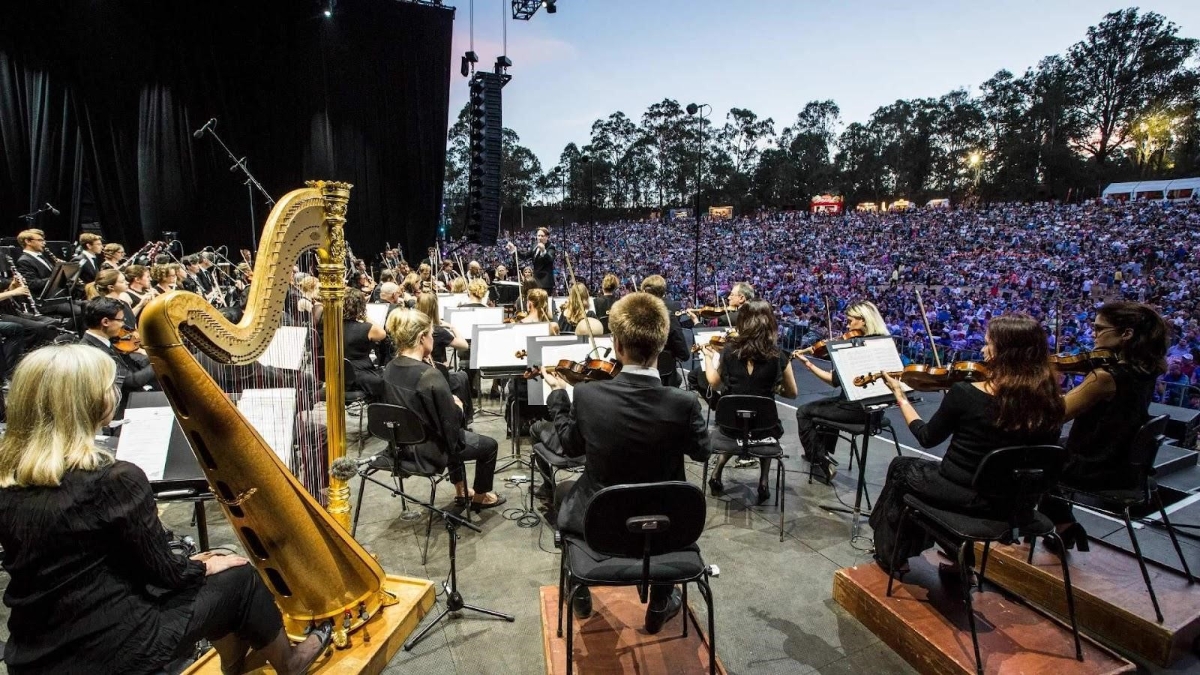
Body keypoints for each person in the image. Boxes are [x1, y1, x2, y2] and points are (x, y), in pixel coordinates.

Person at [0, 345, 332, 674]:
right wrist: (199, 567)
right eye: (108, 387)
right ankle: (290, 663)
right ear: (90, 402)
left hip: (33, 649)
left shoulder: (9, 476)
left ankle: (234, 663)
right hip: (116, 649)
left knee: (212, 566)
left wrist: (190, 564)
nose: (113, 393)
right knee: (239, 575)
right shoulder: (113, 478)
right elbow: (167, 574)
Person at [541, 292, 709, 632]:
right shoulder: (684, 402)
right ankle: (661, 599)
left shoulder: (587, 395)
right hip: (666, 526)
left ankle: (580, 589)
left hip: (601, 525)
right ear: (661, 346)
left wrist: (558, 396)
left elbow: (569, 446)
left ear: (617, 346)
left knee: (562, 492)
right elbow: (703, 452)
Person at [869, 314, 1064, 572]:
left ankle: (891, 555)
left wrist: (900, 396)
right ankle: (951, 549)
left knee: (901, 469)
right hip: (1017, 504)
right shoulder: (1052, 403)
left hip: (967, 496)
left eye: (988, 344)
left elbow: (927, 438)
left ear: (999, 353)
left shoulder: (966, 393)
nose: (983, 350)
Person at [1039, 302, 1170, 549]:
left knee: (1031, 454)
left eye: (1100, 329)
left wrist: (1046, 385)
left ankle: (1055, 524)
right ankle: (1063, 525)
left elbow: (1055, 415)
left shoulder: (1105, 377)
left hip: (1096, 467)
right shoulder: (1146, 370)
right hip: (1125, 464)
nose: (1094, 334)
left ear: (1126, 334)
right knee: (1049, 449)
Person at [383, 309, 505, 511]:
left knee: (451, 435)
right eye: (431, 334)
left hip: (400, 447)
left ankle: (461, 489)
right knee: (489, 446)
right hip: (430, 451)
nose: (432, 338)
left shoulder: (390, 367)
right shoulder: (429, 375)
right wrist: (457, 406)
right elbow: (451, 430)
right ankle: (481, 497)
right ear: (422, 338)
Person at [701, 299, 799, 504]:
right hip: (764, 429)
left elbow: (715, 384)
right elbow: (792, 393)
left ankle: (716, 473)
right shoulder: (779, 355)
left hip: (731, 426)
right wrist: (774, 387)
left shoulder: (729, 351)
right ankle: (763, 481)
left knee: (737, 422)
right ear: (770, 322)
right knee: (763, 423)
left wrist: (709, 359)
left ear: (742, 322)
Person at [793, 301, 891, 482]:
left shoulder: (853, 347)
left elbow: (834, 382)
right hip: (877, 410)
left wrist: (808, 364)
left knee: (804, 412)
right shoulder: (884, 343)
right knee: (826, 410)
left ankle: (821, 459)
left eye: (850, 321)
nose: (847, 325)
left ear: (863, 321)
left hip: (854, 410)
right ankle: (823, 452)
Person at [80, 298, 158, 395]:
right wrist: (158, 362)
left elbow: (128, 361)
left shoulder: (104, 340)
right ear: (105, 322)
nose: (123, 325)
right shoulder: (92, 351)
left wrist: (149, 360)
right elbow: (130, 381)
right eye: (121, 320)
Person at [415, 291, 472, 422]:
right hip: (437, 376)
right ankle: (463, 418)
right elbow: (464, 345)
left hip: (419, 373)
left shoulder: (413, 328)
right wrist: (453, 327)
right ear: (435, 308)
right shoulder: (437, 331)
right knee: (462, 377)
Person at [640, 275, 690, 387]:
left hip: (638, 373)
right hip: (665, 376)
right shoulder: (668, 317)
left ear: (645, 291)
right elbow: (683, 352)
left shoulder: (635, 314)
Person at [344, 288, 387, 400]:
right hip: (360, 374)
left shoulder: (333, 326)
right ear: (361, 306)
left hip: (340, 372)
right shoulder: (367, 328)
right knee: (385, 381)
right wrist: (364, 316)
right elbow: (382, 334)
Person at [505, 227, 555, 292]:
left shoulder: (550, 247)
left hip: (545, 282)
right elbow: (525, 256)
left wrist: (543, 251)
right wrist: (514, 250)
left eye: (542, 236)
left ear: (547, 237)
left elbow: (550, 259)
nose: (540, 238)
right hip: (536, 281)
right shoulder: (534, 246)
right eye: (538, 236)